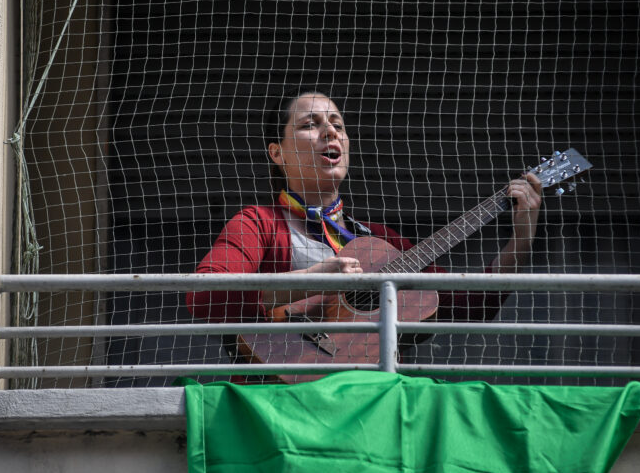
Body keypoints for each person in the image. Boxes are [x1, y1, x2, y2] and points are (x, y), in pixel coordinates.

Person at [186, 91, 542, 339]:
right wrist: (314, 278)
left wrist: (521, 241)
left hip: (372, 394)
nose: (331, 131)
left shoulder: (383, 241)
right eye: (310, 124)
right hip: (277, 393)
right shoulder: (257, 223)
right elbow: (203, 298)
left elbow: (469, 307)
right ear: (277, 154)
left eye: (338, 125)